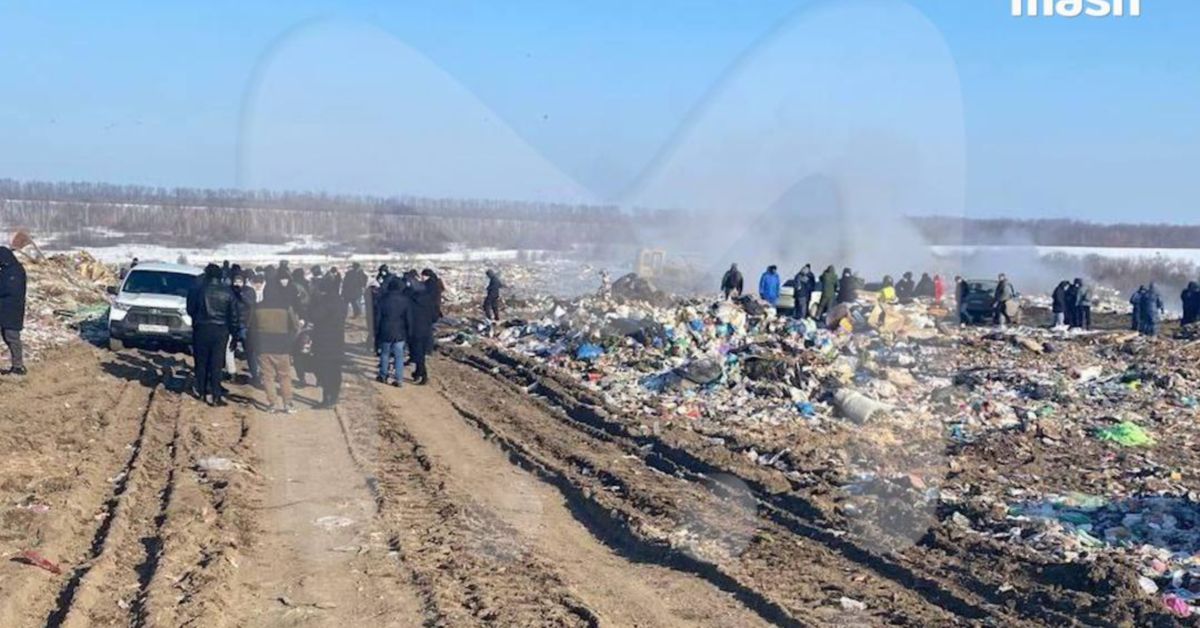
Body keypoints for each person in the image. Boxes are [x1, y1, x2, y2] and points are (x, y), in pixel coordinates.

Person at [186, 264, 235, 406]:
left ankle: (201, 392)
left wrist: (199, 319)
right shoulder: (227, 292)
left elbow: (190, 309)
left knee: (201, 363)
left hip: (201, 329)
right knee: (217, 363)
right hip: (221, 331)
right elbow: (233, 315)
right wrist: (235, 334)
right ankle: (216, 396)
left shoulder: (196, 291)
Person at [252, 277, 300, 414]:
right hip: (282, 347)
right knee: (284, 376)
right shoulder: (285, 307)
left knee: (268, 377)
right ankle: (288, 404)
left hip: (264, 346)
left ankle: (272, 404)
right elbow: (295, 327)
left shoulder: (257, 307)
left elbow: (251, 326)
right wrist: (290, 341)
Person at [309, 274, 346, 408]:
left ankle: (327, 398)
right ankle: (334, 396)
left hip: (323, 340)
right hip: (337, 339)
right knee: (335, 370)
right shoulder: (341, 301)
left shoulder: (324, 302)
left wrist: (314, 302)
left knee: (324, 370)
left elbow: (314, 316)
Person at [375, 276, 410, 386]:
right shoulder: (405, 300)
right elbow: (408, 318)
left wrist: (376, 330)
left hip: (385, 330)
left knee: (385, 354)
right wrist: (408, 331)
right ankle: (399, 379)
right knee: (399, 356)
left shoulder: (383, 299)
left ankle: (383, 375)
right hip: (400, 331)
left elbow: (377, 317)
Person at [0, 247, 27, 376]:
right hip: (5, 309)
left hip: (12, 310)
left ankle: (18, 367)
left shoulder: (14, 272)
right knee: (7, 337)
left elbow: (10, 290)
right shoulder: (7, 271)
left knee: (12, 337)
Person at [407, 273, 437, 386]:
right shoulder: (429, 301)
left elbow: (408, 317)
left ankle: (423, 374)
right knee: (421, 354)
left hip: (415, 331)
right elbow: (434, 316)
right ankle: (418, 372)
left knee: (418, 354)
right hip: (427, 330)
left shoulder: (411, 301)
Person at [231, 269, 259, 384]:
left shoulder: (249, 291)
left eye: (240, 281)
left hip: (246, 325)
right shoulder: (229, 292)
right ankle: (231, 373)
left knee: (250, 352)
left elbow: (251, 304)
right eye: (235, 281)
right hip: (233, 324)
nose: (237, 283)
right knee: (229, 350)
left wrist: (240, 294)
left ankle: (255, 375)